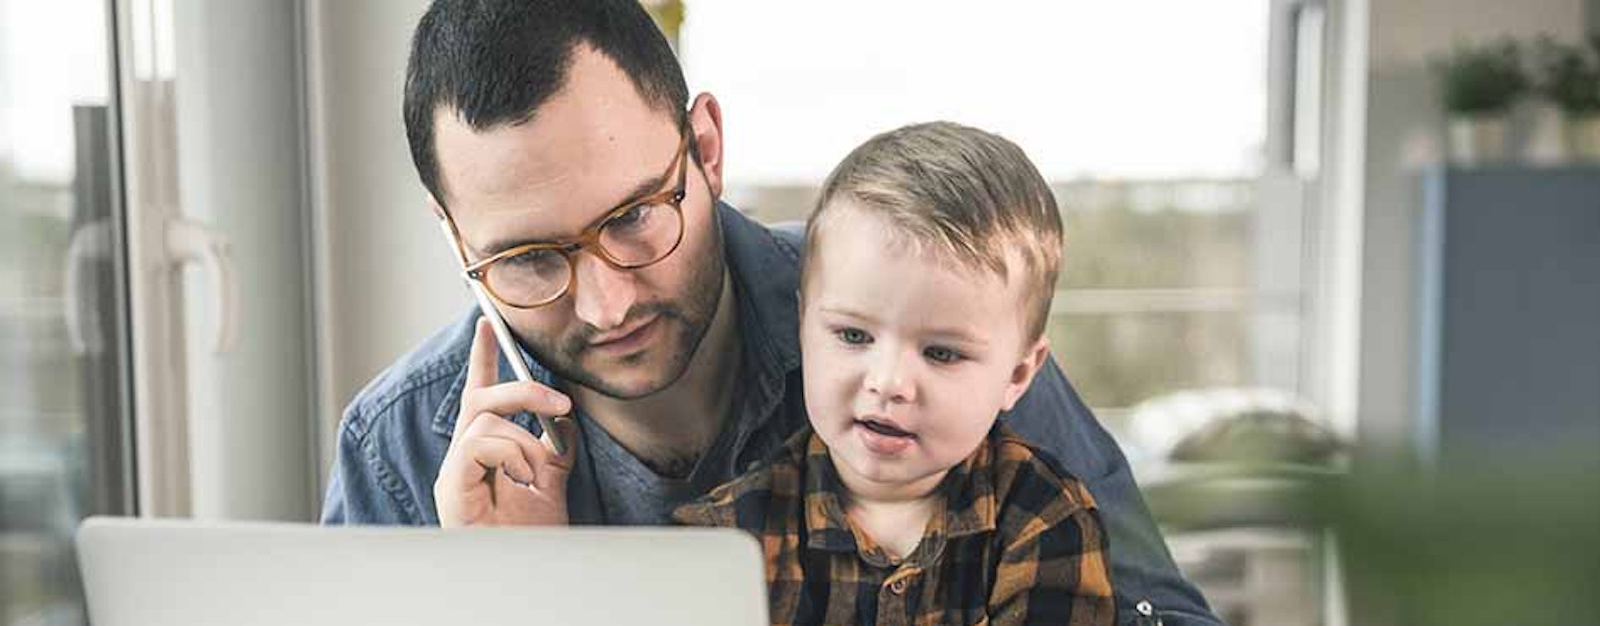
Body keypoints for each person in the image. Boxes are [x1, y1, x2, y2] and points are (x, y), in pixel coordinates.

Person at [319, 1, 1218, 623]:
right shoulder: (401, 451)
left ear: (705, 147)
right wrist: (507, 604)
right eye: (527, 258)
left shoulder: (929, 319)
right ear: (452, 233)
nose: (608, 301)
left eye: (633, 217)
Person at [672, 121, 1113, 625]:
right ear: (802, 326)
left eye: (942, 353)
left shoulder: (1046, 519)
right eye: (853, 336)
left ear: (1017, 375)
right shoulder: (725, 538)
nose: (887, 383)